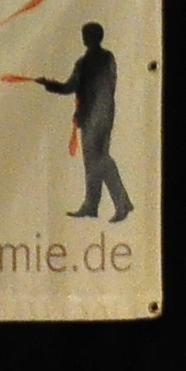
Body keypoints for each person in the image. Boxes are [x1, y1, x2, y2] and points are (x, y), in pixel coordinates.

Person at [35, 23, 129, 222]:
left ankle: (121, 203)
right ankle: (92, 204)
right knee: (93, 160)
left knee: (99, 159)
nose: (83, 38)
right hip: (102, 115)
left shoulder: (86, 62)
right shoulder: (107, 58)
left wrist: (48, 84)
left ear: (91, 37)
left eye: (85, 34)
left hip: (93, 117)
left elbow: (69, 87)